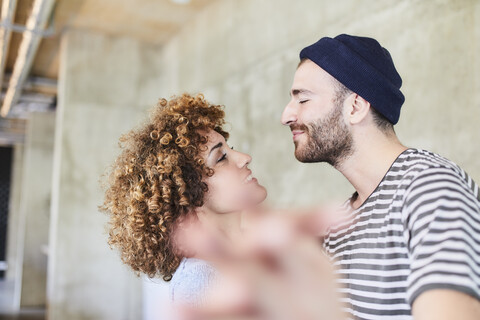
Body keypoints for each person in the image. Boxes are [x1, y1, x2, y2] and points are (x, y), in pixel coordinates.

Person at [181, 34, 480, 320]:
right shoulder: (338, 227)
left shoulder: (431, 189)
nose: (286, 115)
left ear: (355, 106)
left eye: (303, 99)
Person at [100, 93, 267, 307]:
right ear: (189, 194)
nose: (245, 158)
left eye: (230, 148)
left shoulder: (260, 248)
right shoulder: (200, 283)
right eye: (221, 158)